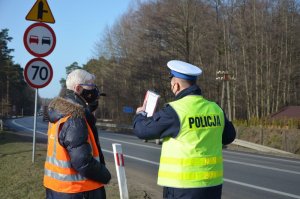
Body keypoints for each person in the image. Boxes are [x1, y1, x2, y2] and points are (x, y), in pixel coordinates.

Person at [133, 60, 236, 199]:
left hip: (183, 188)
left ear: (175, 85)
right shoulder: (215, 109)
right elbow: (229, 137)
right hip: (212, 187)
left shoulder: (174, 111)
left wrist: (140, 115)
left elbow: (142, 131)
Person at [44, 69, 111, 199]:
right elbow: (82, 161)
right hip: (79, 191)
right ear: (78, 88)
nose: (94, 90)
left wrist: (88, 110)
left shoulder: (60, 114)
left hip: (57, 189)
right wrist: (105, 175)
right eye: (91, 85)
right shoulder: (75, 118)